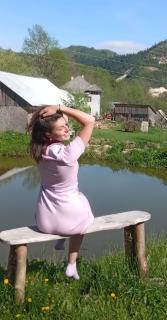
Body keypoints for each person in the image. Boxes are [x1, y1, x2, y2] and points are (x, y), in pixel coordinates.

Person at [28, 104, 95, 280]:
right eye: (62, 127)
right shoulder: (68, 153)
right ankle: (71, 265)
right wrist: (60, 107)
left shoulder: (40, 152)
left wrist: (59, 115)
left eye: (66, 124)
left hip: (45, 221)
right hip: (71, 220)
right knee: (82, 203)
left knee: (62, 198)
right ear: (48, 134)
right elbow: (90, 121)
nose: (67, 129)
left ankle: (60, 239)